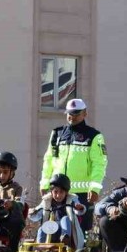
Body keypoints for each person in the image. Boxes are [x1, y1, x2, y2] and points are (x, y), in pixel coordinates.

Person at [40, 98, 107, 232]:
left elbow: (99, 164)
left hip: (82, 193)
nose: (73, 117)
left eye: (77, 113)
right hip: (58, 192)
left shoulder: (94, 136)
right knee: (54, 228)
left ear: (85, 114)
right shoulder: (57, 133)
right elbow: (48, 160)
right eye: (70, 113)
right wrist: (45, 183)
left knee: (79, 231)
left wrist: (94, 188)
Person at [34, 173, 84, 250]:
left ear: (66, 192)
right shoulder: (47, 201)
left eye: (61, 192)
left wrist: (79, 208)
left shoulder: (71, 199)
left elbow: (78, 209)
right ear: (51, 192)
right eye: (55, 192)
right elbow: (38, 214)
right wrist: (33, 212)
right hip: (51, 228)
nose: (58, 195)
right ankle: (40, 247)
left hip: (66, 228)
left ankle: (65, 239)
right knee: (42, 228)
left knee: (65, 219)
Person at [0, 152, 26, 246]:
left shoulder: (17, 188)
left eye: (5, 172)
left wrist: (12, 204)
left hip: (10, 224)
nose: (2, 176)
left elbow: (21, 204)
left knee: (16, 223)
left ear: (12, 173)